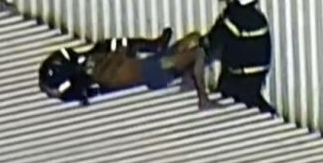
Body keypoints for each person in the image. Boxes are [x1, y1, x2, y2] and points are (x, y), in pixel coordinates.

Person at [38, 28, 210, 105]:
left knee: (191, 43)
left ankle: (158, 47)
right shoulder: (94, 79)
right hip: (150, 71)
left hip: (146, 66)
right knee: (195, 51)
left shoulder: (91, 67)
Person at [193, 0, 277, 115]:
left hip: (237, 81)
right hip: (257, 79)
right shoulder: (259, 18)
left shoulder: (230, 21)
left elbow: (208, 46)